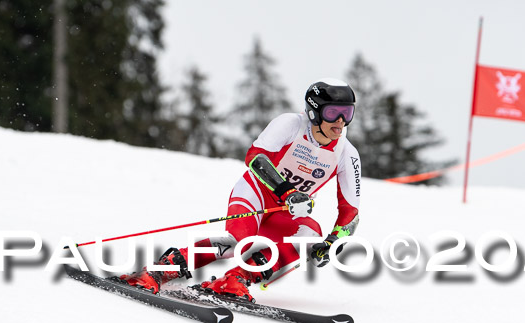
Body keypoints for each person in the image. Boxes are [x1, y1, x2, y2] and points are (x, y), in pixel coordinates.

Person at [118, 78, 361, 302]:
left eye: (347, 113)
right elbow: (255, 158)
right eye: (333, 112)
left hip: (286, 211)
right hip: (255, 194)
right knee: (236, 243)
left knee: (310, 235)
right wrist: (288, 192)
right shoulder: (290, 124)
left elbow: (351, 212)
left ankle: (235, 279)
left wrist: (332, 242)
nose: (341, 121)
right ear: (314, 111)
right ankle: (158, 272)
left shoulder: (346, 154)